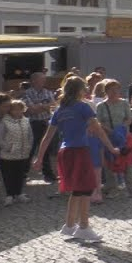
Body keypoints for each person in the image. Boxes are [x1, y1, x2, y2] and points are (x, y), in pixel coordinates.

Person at [32, 77, 119, 243]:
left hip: (65, 152)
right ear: (80, 90)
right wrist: (111, 147)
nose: (86, 90)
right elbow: (98, 130)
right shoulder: (83, 107)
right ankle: (84, 227)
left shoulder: (60, 110)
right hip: (80, 151)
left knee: (77, 190)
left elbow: (47, 136)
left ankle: (70, 225)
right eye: (84, 88)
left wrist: (39, 157)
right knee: (86, 188)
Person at [96, 81, 132, 199]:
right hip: (108, 138)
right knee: (110, 164)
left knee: (128, 163)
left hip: (124, 137)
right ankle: (112, 188)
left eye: (117, 89)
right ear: (106, 91)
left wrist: (121, 129)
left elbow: (129, 118)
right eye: (112, 90)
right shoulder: (101, 106)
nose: (115, 92)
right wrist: (110, 130)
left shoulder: (124, 103)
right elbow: (98, 122)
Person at [0, 98, 33, 205]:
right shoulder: (5, 121)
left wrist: (29, 147)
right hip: (8, 154)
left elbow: (30, 136)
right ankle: (9, 195)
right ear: (10, 110)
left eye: (19, 109)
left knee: (20, 174)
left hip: (22, 154)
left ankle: (19, 193)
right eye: (14, 109)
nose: (17, 112)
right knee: (8, 175)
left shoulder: (26, 121)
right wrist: (8, 148)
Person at [22, 72, 57, 184]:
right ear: (33, 81)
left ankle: (48, 174)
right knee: (30, 149)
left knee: (46, 148)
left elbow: (53, 106)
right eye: (41, 79)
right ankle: (23, 174)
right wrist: (45, 106)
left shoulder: (48, 92)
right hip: (33, 124)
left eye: (44, 79)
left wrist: (39, 106)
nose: (44, 81)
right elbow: (30, 110)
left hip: (46, 123)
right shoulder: (26, 93)